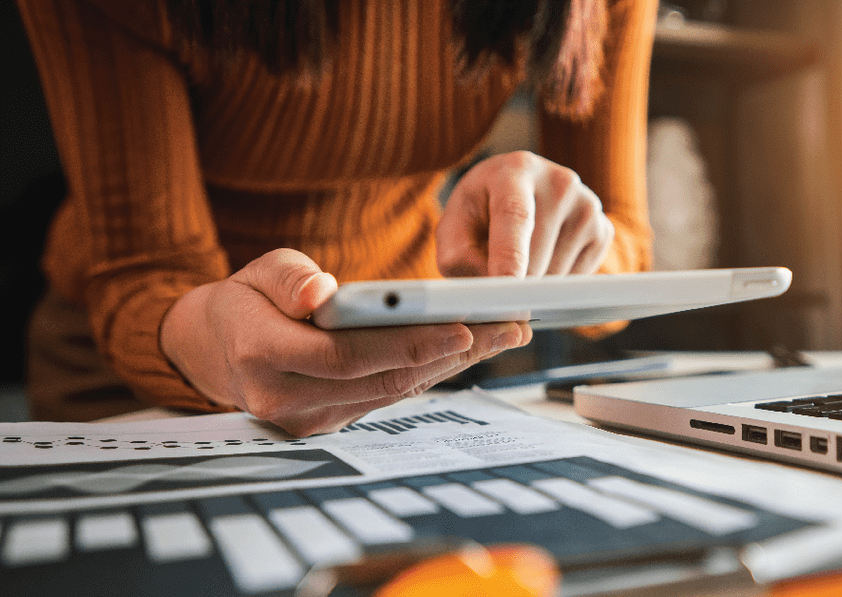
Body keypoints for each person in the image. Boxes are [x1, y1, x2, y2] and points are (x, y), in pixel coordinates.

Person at [17, 0, 656, 436]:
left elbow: (624, 243)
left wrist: (564, 240)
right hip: (136, 389)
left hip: (396, 389)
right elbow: (147, 272)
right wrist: (217, 339)